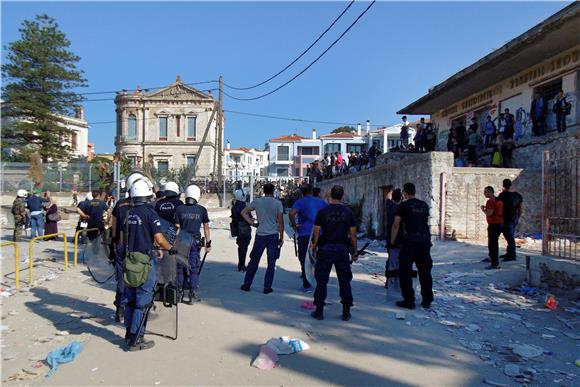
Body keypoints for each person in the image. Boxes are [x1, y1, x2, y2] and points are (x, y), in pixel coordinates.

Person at [121, 179, 174, 351]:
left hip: (129, 260)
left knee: (129, 298)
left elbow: (125, 238)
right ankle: (136, 340)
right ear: (147, 195)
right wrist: (170, 249)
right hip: (143, 261)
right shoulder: (150, 213)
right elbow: (159, 238)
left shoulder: (128, 213)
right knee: (143, 300)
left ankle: (129, 333)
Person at [310, 185, 358, 321]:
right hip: (342, 249)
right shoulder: (348, 212)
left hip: (325, 248)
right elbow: (353, 235)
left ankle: (319, 311)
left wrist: (314, 246)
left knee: (321, 280)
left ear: (330, 195)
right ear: (342, 196)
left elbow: (316, 231)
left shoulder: (322, 212)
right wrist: (354, 251)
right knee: (344, 281)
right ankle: (346, 311)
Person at [111, 172, 148, 322]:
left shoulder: (120, 203)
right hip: (139, 247)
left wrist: (114, 242)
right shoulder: (144, 206)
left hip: (121, 245)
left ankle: (120, 309)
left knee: (122, 279)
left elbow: (114, 225)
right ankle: (137, 312)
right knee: (140, 278)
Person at [390, 183, 433, 309]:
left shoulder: (403, 206)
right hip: (424, 240)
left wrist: (392, 241)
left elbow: (396, 224)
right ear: (414, 191)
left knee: (405, 271)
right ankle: (427, 300)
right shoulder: (424, 205)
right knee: (425, 271)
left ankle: (409, 300)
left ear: (404, 193)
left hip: (410, 241)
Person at [240, 183, 284, 294]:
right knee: (271, 263)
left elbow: (244, 212)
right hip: (273, 235)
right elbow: (280, 222)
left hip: (260, 235)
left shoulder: (257, 201)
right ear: (273, 191)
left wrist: (252, 222)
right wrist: (281, 237)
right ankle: (267, 287)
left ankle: (247, 284)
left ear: (263, 190)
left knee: (254, 261)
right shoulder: (278, 203)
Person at [174, 185, 211, 303]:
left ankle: (179, 291)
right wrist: (208, 243)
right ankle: (192, 293)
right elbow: (206, 228)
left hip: (182, 241)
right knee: (194, 267)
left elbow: (177, 228)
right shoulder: (201, 210)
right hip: (195, 241)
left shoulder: (179, 209)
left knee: (180, 267)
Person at [290, 184, 328, 291]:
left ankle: (307, 284)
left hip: (304, 233)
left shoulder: (300, 202)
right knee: (319, 257)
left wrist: (294, 224)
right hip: (319, 233)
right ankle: (320, 283)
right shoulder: (320, 202)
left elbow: (292, 213)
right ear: (312, 191)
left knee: (304, 258)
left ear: (302, 192)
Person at [497, 179, 523, 262]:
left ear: (503, 185)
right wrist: (518, 217)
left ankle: (512, 255)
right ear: (511, 185)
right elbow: (520, 208)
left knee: (509, 237)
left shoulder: (502, 195)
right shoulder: (517, 195)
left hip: (506, 219)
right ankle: (509, 253)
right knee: (509, 236)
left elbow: (499, 207)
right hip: (513, 218)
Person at [481, 186, 503, 270]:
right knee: (493, 243)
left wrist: (483, 209)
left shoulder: (490, 201)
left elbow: (489, 213)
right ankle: (492, 258)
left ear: (490, 192)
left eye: (485, 191)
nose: (484, 193)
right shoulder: (498, 200)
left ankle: (494, 263)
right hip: (499, 223)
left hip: (494, 224)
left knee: (493, 244)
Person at [385, 188, 403, 290]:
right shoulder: (402, 208)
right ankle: (398, 282)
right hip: (400, 237)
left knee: (390, 260)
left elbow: (387, 197)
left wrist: (391, 191)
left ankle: (388, 281)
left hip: (390, 237)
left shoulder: (389, 206)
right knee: (400, 260)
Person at [231, 189, 252, 272]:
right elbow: (249, 218)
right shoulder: (244, 207)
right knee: (244, 248)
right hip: (244, 229)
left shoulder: (234, 206)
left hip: (237, 229)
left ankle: (241, 264)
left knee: (240, 247)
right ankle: (242, 265)